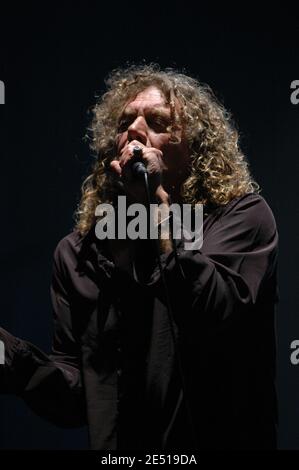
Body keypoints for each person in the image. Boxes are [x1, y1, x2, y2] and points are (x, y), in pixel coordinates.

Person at [0, 64, 279, 450]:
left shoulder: (241, 219)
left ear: (196, 146)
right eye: (125, 121)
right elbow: (80, 397)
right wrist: (10, 358)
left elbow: (215, 311)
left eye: (158, 121)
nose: (134, 129)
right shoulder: (79, 254)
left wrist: (156, 213)